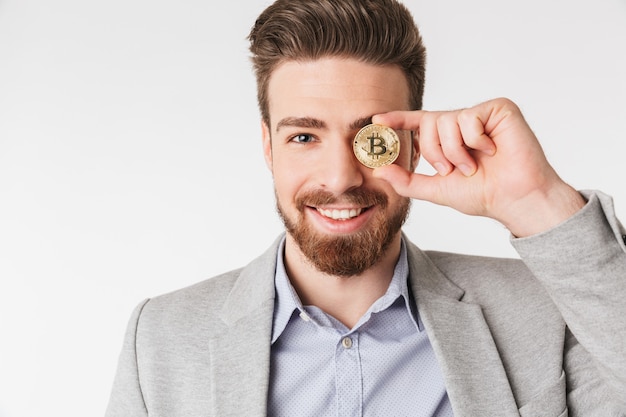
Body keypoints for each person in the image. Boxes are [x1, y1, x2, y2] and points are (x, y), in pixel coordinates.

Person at [105, 0, 626, 415]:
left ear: (414, 143)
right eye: (305, 136)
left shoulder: (544, 311)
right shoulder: (161, 339)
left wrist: (538, 204)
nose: (340, 179)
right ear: (268, 147)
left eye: (370, 138)